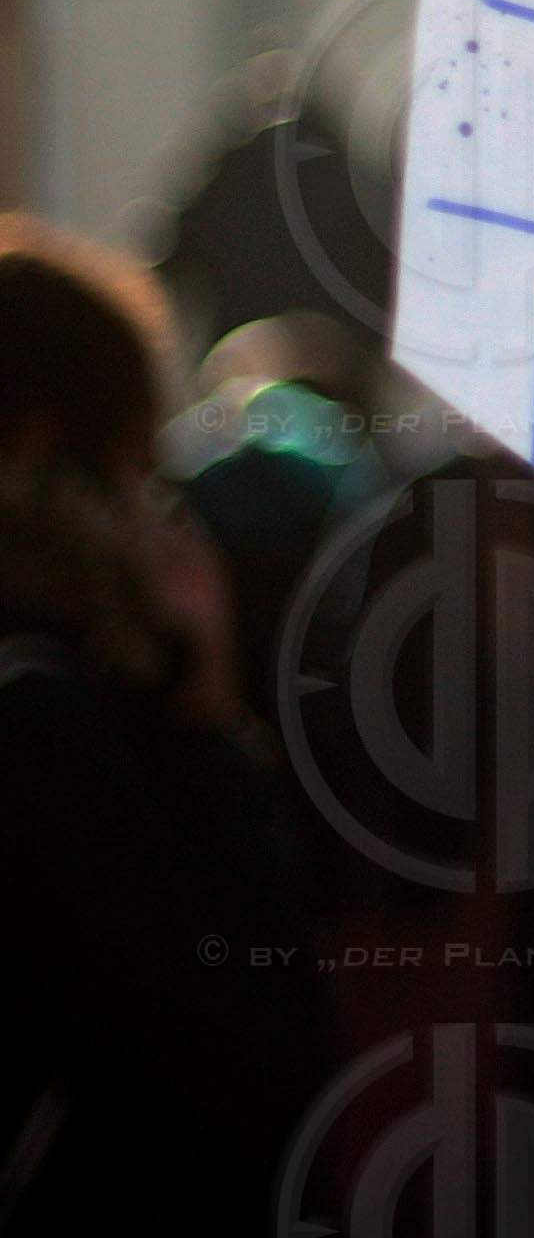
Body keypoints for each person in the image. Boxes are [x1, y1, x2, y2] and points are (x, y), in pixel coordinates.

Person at [0, 215, 332, 1225]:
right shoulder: (46, 723)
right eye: (141, 470)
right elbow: (233, 1067)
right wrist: (209, 722)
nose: (161, 514)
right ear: (55, 451)